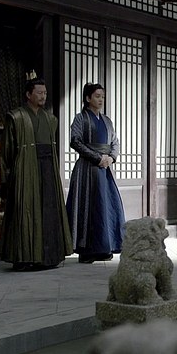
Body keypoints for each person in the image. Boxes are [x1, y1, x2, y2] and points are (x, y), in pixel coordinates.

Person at [0, 76, 73, 271]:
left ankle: (49, 256)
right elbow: (7, 150)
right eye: (39, 93)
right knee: (26, 211)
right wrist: (8, 176)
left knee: (48, 210)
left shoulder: (50, 119)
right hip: (25, 168)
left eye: (45, 93)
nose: (43, 96)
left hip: (47, 168)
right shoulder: (16, 117)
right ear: (28, 94)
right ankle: (24, 258)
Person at [66, 83, 126, 264]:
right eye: (97, 96)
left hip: (104, 169)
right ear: (87, 98)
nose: (101, 100)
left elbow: (115, 142)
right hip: (87, 169)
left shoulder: (107, 121)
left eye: (102, 96)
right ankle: (86, 250)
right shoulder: (80, 119)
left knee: (105, 207)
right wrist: (97, 158)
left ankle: (104, 247)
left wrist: (111, 158)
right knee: (89, 208)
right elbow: (75, 141)